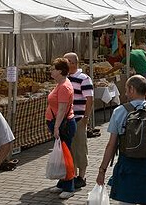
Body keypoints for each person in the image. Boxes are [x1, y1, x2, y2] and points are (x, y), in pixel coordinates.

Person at [96, 75, 146, 205]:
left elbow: (111, 145)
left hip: (127, 165)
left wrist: (102, 170)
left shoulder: (119, 111)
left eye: (126, 89)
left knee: (126, 201)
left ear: (132, 89)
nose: (125, 93)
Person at [45, 58, 76, 199]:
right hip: (59, 123)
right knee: (63, 154)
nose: (51, 71)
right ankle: (62, 183)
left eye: (53, 69)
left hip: (64, 125)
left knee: (65, 156)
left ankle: (69, 186)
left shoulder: (64, 86)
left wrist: (56, 127)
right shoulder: (60, 84)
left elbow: (62, 109)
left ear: (60, 71)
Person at [65, 52, 94, 190]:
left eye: (66, 61)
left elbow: (89, 99)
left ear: (73, 63)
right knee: (70, 149)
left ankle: (82, 176)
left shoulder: (84, 78)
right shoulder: (66, 78)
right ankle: (72, 175)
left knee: (80, 148)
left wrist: (86, 117)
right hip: (68, 119)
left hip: (78, 118)